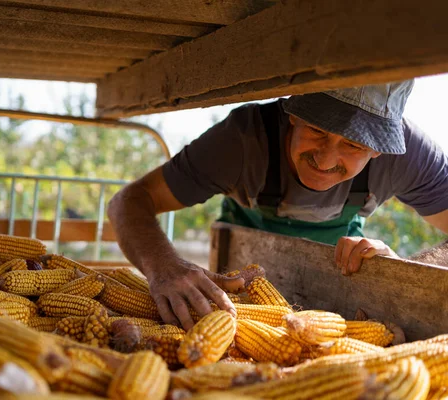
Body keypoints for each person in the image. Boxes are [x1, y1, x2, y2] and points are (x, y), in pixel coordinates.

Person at [107, 80, 448, 330]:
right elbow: (129, 201)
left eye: (354, 146)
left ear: (378, 150)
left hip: (338, 312)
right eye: (317, 130)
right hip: (237, 302)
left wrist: (401, 269)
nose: (326, 159)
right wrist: (164, 267)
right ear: (294, 115)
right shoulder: (241, 141)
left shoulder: (410, 156)